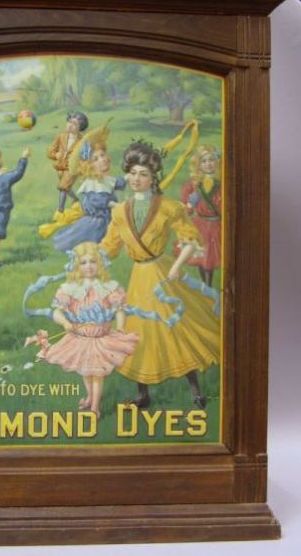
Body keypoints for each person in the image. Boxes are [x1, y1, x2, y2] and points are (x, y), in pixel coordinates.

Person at [101, 141, 220, 409]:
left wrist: (176, 268)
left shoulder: (168, 207)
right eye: (132, 173)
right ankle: (143, 394)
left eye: (143, 174)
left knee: (174, 328)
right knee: (138, 330)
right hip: (138, 278)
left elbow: (191, 240)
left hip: (162, 275)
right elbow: (109, 248)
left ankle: (195, 389)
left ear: (153, 177)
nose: (136, 179)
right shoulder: (119, 212)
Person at [37, 242, 138, 418]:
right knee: (85, 370)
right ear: (77, 266)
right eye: (83, 262)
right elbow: (57, 312)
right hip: (80, 337)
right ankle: (90, 397)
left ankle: (95, 407)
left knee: (97, 373)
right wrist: (65, 323)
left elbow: (119, 310)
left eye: (93, 261)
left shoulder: (109, 287)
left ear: (100, 263)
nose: (89, 266)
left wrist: (121, 326)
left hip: (100, 338)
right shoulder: (70, 288)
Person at [51, 142, 126, 251]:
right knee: (91, 242)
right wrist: (114, 204)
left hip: (109, 217)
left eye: (102, 155)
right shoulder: (92, 183)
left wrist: (128, 177)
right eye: (96, 159)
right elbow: (98, 201)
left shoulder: (105, 178)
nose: (102, 159)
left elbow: (118, 182)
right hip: (98, 221)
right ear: (90, 166)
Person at [178, 145, 221, 287]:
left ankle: (209, 287)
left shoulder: (223, 183)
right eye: (204, 161)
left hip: (217, 225)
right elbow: (185, 210)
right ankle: (206, 286)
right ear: (198, 165)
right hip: (200, 225)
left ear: (217, 162)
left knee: (211, 257)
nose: (208, 164)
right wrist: (190, 204)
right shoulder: (193, 185)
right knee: (202, 257)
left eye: (211, 160)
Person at [47, 111, 89, 213]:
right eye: (69, 122)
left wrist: (83, 172)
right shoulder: (61, 137)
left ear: (80, 128)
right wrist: (56, 155)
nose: (70, 125)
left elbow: (86, 157)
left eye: (74, 124)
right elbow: (50, 151)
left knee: (63, 187)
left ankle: (60, 210)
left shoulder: (83, 141)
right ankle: (75, 199)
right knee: (66, 187)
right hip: (60, 167)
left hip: (73, 168)